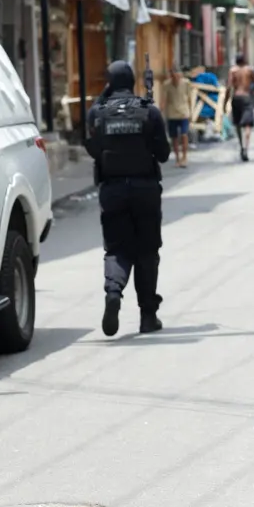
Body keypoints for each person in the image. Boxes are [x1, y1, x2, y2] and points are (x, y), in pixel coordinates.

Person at [85, 60, 171, 337]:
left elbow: (93, 149)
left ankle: (113, 292)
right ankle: (148, 317)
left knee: (117, 249)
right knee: (147, 251)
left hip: (112, 191)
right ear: (134, 82)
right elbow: (164, 154)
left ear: (109, 83)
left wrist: (104, 97)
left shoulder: (97, 114)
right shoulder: (149, 111)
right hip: (145, 190)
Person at [162, 66, 194, 168]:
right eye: (172, 75)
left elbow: (190, 98)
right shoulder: (166, 84)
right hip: (172, 114)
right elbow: (164, 99)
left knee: (184, 135)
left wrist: (191, 113)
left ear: (180, 75)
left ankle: (184, 157)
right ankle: (177, 158)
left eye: (176, 75)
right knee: (174, 137)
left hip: (184, 113)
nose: (175, 77)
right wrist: (161, 112)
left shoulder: (186, 83)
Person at [227, 54, 254, 161]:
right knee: (248, 125)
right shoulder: (249, 70)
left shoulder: (232, 71)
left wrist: (226, 101)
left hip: (236, 98)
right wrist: (251, 90)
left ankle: (241, 145)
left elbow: (229, 86)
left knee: (238, 124)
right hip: (246, 97)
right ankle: (246, 148)